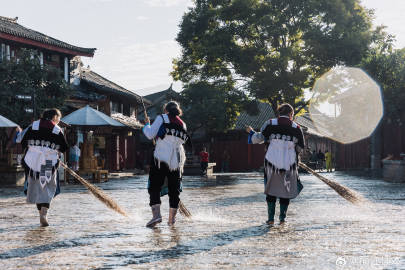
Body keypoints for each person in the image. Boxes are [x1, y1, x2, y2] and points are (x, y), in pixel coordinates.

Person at [246, 103, 305, 225]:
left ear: (279, 113)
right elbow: (300, 147)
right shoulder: (297, 128)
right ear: (291, 114)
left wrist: (251, 132)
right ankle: (282, 219)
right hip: (289, 164)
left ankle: (270, 219)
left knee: (271, 189)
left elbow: (258, 138)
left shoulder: (270, 123)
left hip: (271, 162)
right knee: (286, 190)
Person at [16, 108, 68, 227]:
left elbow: (23, 142)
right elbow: (64, 147)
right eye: (59, 118)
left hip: (32, 162)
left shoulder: (32, 126)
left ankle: (40, 213)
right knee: (47, 187)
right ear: (54, 117)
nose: (59, 121)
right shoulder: (56, 129)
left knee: (36, 187)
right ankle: (44, 214)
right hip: (47, 162)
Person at [142, 101, 191, 227]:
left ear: (165, 110)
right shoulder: (183, 123)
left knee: (154, 186)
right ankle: (171, 220)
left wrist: (147, 124)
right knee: (174, 190)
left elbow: (149, 134)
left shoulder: (161, 118)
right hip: (177, 160)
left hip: (161, 157)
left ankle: (156, 216)